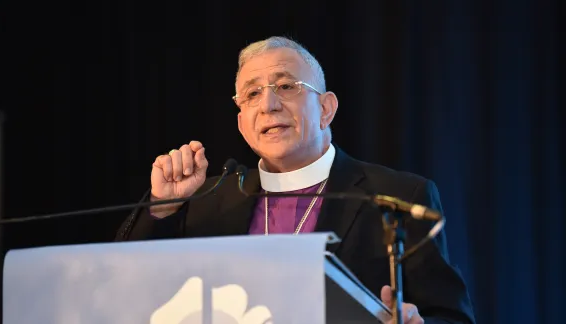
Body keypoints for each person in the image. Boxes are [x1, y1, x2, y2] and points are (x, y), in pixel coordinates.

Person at [116, 36, 475, 324]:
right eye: (252, 93)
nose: (268, 104)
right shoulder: (209, 198)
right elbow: (122, 288)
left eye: (287, 86)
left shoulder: (397, 195)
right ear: (242, 123)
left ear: (326, 109)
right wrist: (162, 208)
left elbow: (452, 315)